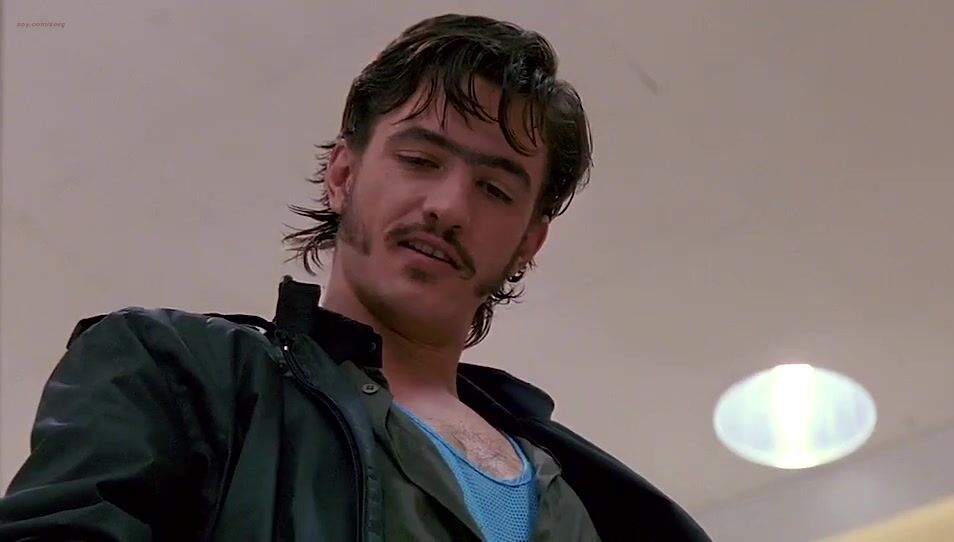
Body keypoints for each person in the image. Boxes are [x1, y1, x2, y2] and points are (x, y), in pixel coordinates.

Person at [0, 14, 710, 542]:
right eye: (420, 160)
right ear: (342, 175)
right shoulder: (173, 373)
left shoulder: (600, 505)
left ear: (529, 242)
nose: (448, 206)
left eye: (495, 189)